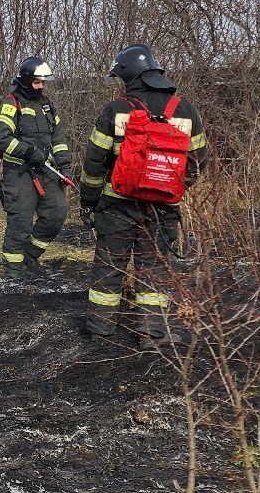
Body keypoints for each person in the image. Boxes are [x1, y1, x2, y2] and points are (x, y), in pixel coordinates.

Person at [77, 43, 209, 347]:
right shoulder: (184, 109)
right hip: (163, 208)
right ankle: (152, 332)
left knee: (110, 265)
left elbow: (94, 162)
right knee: (155, 268)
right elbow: (199, 160)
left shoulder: (116, 109)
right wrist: (173, 187)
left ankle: (101, 330)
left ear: (129, 75)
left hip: (116, 204)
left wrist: (89, 200)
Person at [0, 56, 74, 276]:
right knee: (20, 221)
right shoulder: (12, 103)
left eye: (43, 83)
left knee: (57, 212)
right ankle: (13, 270)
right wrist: (28, 151)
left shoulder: (48, 105)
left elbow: (58, 139)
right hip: (20, 171)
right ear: (27, 81)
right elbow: (1, 139)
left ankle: (30, 257)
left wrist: (65, 167)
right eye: (37, 82)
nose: (41, 87)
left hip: (45, 169)